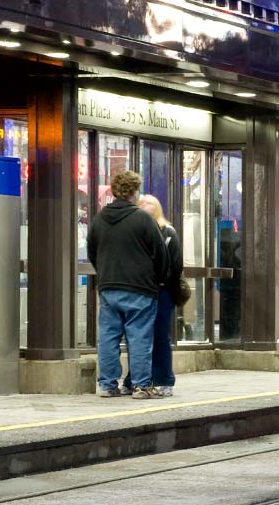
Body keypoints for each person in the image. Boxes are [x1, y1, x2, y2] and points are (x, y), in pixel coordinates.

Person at [87, 171, 168, 399]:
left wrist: (104, 273)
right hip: (139, 289)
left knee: (108, 337)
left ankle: (107, 385)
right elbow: (160, 254)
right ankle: (141, 386)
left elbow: (93, 252)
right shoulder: (142, 219)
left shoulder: (99, 219)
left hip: (108, 287)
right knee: (139, 336)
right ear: (134, 192)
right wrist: (158, 278)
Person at [129, 194, 183, 397]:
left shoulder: (168, 232)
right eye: (141, 202)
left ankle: (164, 379)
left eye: (149, 202)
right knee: (139, 336)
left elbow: (176, 264)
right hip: (141, 289)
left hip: (162, 291)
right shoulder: (136, 232)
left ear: (158, 207)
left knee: (160, 335)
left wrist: (164, 281)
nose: (144, 205)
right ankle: (136, 380)